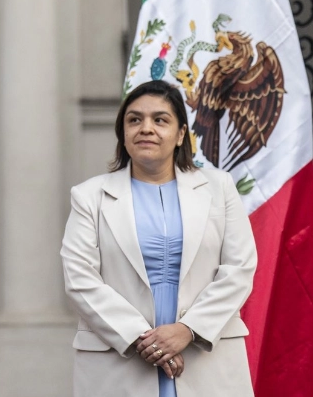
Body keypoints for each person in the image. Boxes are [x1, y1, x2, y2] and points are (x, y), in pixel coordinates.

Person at [61, 80, 257, 397]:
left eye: (160, 120)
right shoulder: (88, 196)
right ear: (123, 133)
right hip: (120, 361)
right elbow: (80, 279)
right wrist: (148, 340)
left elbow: (240, 269)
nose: (146, 128)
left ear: (181, 134)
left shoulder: (219, 188)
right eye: (134, 120)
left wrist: (188, 330)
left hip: (204, 360)